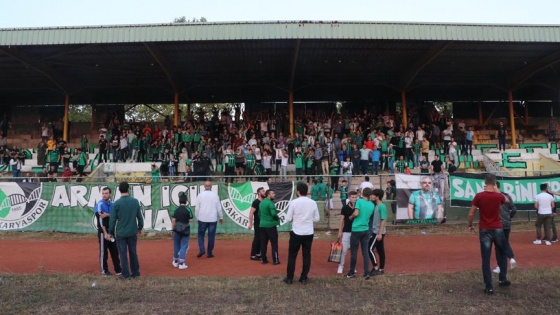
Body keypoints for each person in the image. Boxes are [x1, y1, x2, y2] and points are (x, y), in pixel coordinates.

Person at [467, 174, 511, 295]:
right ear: (495, 183)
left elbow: (471, 213)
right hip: (497, 228)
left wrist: (470, 225)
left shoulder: (479, 196)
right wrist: (497, 189)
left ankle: (489, 286)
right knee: (501, 254)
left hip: (485, 229)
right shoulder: (498, 196)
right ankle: (502, 279)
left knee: (486, 259)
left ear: (485, 183)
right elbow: (507, 201)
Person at [283, 182, 320, 284]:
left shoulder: (294, 202)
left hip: (296, 232)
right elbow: (317, 218)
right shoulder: (313, 202)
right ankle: (304, 277)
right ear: (307, 191)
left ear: (297, 191)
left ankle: (289, 278)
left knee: (292, 255)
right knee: (306, 255)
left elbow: (289, 218)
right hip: (308, 233)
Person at [108, 182, 144, 280]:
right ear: (128, 189)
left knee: (123, 253)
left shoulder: (117, 203)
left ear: (119, 190)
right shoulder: (135, 201)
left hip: (121, 232)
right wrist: (140, 227)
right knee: (133, 252)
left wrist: (110, 231)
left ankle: (126, 274)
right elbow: (140, 217)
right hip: (132, 231)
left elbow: (113, 219)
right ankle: (136, 273)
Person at [346, 187, 375, 280]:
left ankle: (351, 272)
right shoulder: (372, 204)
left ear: (362, 193)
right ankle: (366, 273)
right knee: (365, 252)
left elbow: (356, 213)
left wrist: (351, 217)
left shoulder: (359, 201)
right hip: (366, 229)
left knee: (354, 252)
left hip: (356, 229)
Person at [95, 187, 122, 276]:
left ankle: (118, 270)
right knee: (104, 252)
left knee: (115, 251)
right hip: (103, 232)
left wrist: (107, 214)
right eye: (103, 193)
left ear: (110, 194)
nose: (104, 195)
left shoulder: (113, 204)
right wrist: (105, 233)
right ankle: (104, 271)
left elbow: (116, 216)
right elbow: (100, 220)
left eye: (106, 193)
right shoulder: (99, 204)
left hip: (111, 231)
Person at [493, 181, 517, 274]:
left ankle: (500, 266)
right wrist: (509, 217)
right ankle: (511, 258)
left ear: (495, 186)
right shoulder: (507, 196)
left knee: (498, 246)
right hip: (506, 223)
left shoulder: (493, 197)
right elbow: (514, 209)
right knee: (505, 242)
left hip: (497, 224)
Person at [195, 181, 223, 258]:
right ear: (211, 186)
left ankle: (202, 249)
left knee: (201, 235)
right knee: (211, 236)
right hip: (212, 219)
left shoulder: (200, 195)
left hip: (202, 218)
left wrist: (197, 217)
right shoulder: (215, 195)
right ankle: (209, 252)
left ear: (204, 186)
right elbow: (219, 208)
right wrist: (221, 217)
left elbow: (197, 208)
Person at [337, 191, 358, 274]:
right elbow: (342, 220)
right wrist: (340, 231)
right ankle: (341, 266)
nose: (354, 199)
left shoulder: (358, 207)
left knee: (354, 251)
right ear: (349, 198)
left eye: (355, 197)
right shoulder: (345, 208)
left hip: (356, 231)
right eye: (352, 197)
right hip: (346, 231)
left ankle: (352, 267)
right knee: (344, 250)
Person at [171, 192, 194, 270]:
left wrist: (172, 229)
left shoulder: (176, 209)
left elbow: (173, 220)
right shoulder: (188, 209)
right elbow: (191, 219)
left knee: (176, 245)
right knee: (184, 246)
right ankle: (181, 263)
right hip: (185, 230)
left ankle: (175, 261)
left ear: (179, 201)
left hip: (177, 229)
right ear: (186, 201)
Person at [259, 189, 280, 265]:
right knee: (274, 243)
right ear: (268, 195)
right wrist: (277, 219)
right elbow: (274, 214)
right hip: (270, 225)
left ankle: (264, 259)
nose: (274, 194)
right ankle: (275, 260)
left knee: (263, 243)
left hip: (262, 225)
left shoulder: (261, 203)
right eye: (273, 193)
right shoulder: (270, 203)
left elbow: (259, 214)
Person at [368, 189, 387, 276]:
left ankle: (375, 267)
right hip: (376, 231)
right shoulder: (376, 206)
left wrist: (379, 233)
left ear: (377, 196)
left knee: (369, 249)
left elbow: (383, 220)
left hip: (377, 232)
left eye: (373, 195)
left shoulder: (381, 206)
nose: (371, 196)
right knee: (380, 251)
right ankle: (381, 269)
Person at [248, 187, 265, 261]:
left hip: (264, 223)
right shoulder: (256, 202)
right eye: (263, 191)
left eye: (264, 191)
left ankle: (258, 253)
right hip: (258, 223)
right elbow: (251, 212)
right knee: (257, 238)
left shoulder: (264, 201)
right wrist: (250, 223)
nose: (264, 192)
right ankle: (253, 254)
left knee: (262, 239)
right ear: (259, 193)